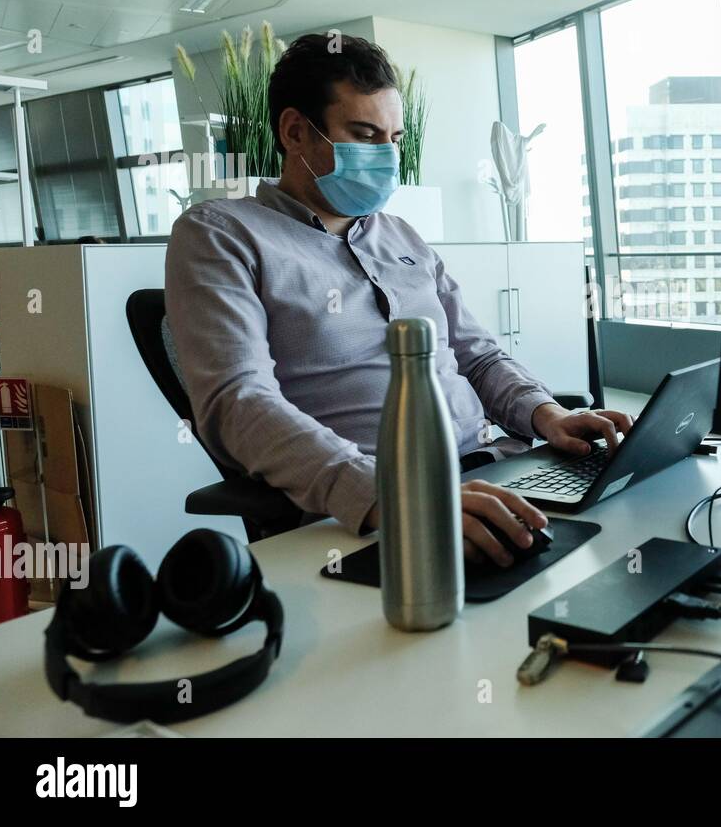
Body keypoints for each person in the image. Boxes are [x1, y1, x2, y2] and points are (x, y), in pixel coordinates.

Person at [165, 32, 632, 567]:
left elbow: (477, 356)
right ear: (295, 131)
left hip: (496, 472)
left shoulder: (402, 236)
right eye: (364, 135)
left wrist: (546, 414)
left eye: (393, 137)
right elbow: (237, 403)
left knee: (629, 548)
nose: (386, 155)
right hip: (374, 512)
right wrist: (396, 497)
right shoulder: (220, 234)